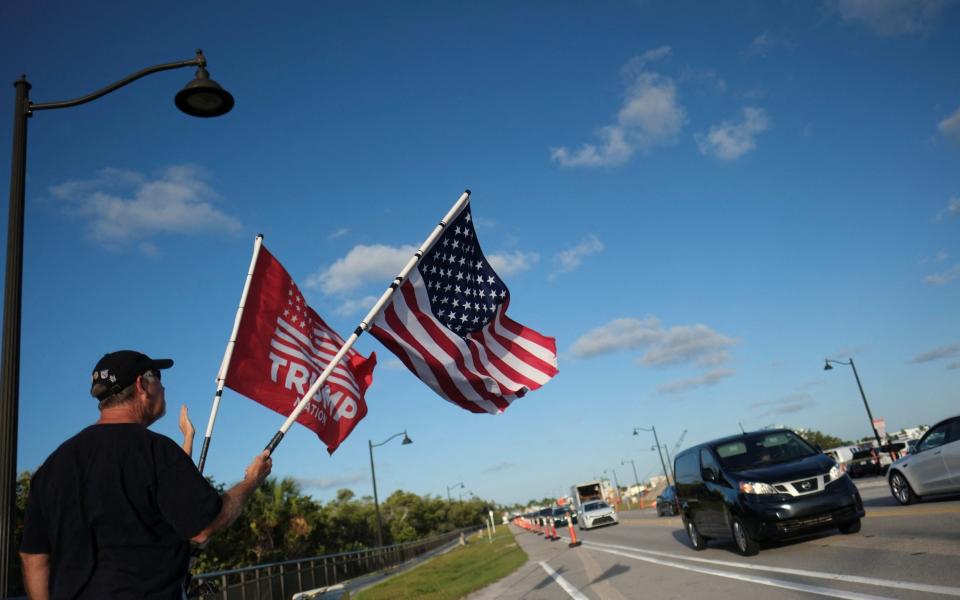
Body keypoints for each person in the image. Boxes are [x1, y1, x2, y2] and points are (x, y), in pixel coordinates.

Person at [19, 350, 273, 599]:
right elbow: (203, 526)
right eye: (160, 380)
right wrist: (252, 480)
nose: (164, 389)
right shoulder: (155, 451)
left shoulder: (53, 466)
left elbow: (33, 558)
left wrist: (188, 438)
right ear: (142, 385)